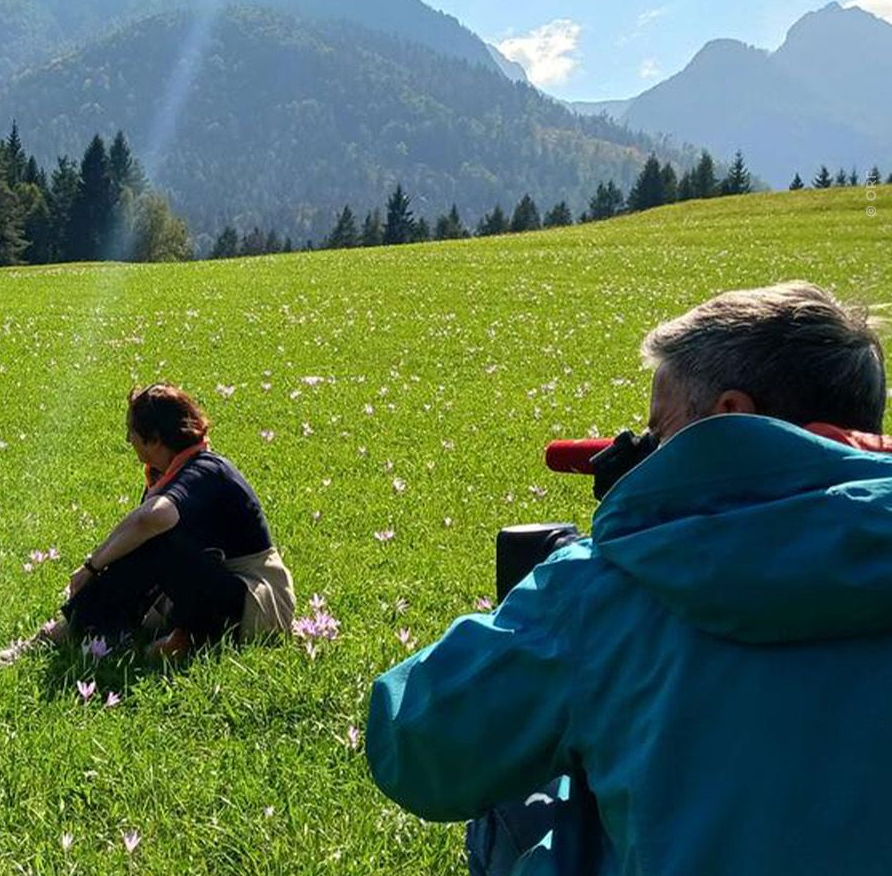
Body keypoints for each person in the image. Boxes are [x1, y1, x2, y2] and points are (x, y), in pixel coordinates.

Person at [366, 281, 892, 875]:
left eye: (660, 431)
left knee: (524, 799)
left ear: (729, 418)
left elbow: (415, 747)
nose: (650, 454)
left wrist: (613, 544)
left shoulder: (610, 586)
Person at [5, 383, 295, 662]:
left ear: (154, 438)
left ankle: (71, 633)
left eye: (131, 433)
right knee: (147, 542)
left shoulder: (206, 469)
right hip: (220, 593)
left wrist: (91, 567)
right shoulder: (167, 473)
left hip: (255, 603)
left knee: (157, 539)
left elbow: (154, 518)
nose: (129, 440)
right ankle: (165, 637)